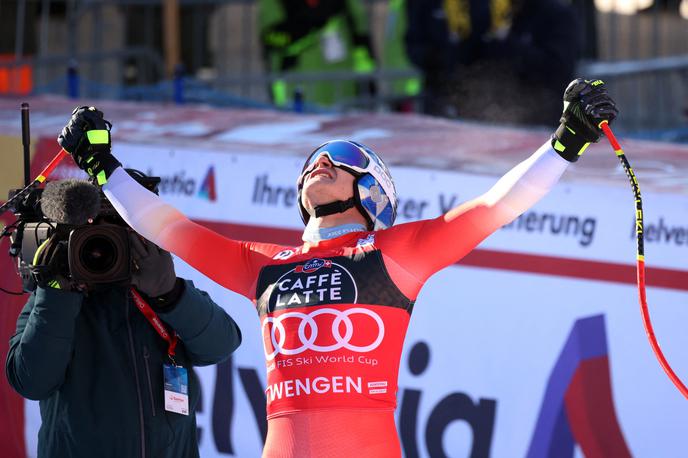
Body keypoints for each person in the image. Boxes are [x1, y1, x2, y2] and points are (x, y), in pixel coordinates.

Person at [55, 79, 616, 457]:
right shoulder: (265, 266)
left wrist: (566, 142)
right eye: (314, 161)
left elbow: (496, 205)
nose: (321, 161)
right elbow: (166, 227)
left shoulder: (393, 254)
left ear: (371, 191)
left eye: (344, 159)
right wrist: (102, 164)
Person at [5, 188, 242, 457]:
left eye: (112, 241)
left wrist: (170, 292)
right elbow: (30, 381)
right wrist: (57, 293)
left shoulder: (157, 292)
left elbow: (222, 344)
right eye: (88, 242)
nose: (99, 252)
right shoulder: (52, 300)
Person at [259, 0, 377, 108]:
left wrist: (368, 87)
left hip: (344, 98)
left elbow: (362, 44)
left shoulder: (347, 4)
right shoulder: (275, 3)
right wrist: (313, 22)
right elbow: (272, 38)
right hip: (295, 100)